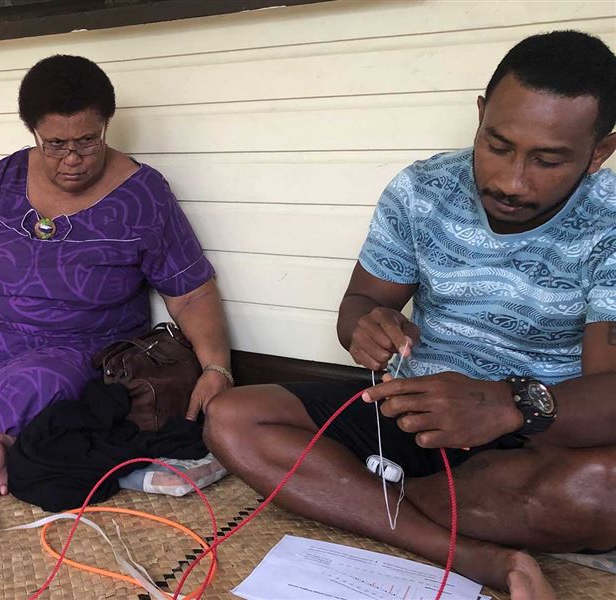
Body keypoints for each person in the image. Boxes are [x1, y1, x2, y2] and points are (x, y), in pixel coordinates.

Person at [204, 31, 616, 599]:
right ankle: (468, 552)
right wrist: (366, 327)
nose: (510, 181)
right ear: (479, 116)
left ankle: (354, 491)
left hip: (532, 435)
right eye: (496, 145)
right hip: (410, 411)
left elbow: (610, 396)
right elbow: (359, 306)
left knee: (603, 489)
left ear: (600, 151)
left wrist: (504, 403)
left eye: (547, 160)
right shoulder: (424, 189)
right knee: (233, 417)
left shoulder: (610, 224)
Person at [0, 55, 232, 499]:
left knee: (33, 391)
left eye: (88, 141)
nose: (72, 159)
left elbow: (190, 291)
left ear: (106, 126)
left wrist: (216, 366)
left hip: (71, 353)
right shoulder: (1, 180)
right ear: (33, 131)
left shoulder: (143, 195)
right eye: (55, 144)